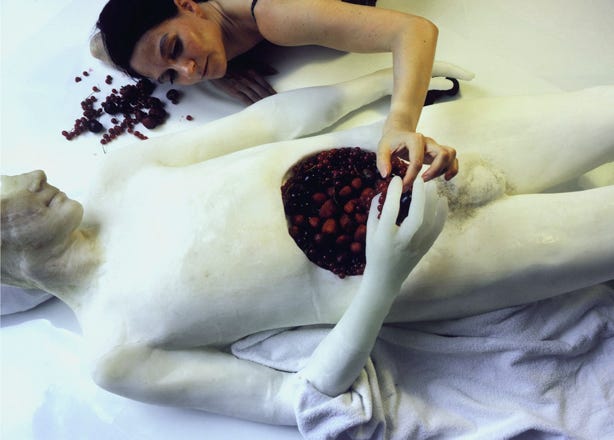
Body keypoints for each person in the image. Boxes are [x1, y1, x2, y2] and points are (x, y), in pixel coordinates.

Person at [2, 69, 613, 427]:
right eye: (6, 201)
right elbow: (302, 398)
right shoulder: (117, 351)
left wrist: (381, 85)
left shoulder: (119, 174)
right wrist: (386, 276)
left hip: (416, 147)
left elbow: (265, 126)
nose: (32, 177)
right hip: (438, 263)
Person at [92, 0, 473, 190]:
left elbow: (413, 30)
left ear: (189, 6)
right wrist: (217, 67)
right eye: (171, 76)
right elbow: (103, 49)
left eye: (175, 47)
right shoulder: (194, 26)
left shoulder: (276, 14)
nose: (188, 71)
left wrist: (400, 122)